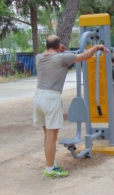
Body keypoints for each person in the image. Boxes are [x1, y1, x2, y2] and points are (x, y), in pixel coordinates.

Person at [33, 35, 109, 179]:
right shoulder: (62, 58)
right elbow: (85, 56)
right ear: (58, 45)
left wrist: (56, 49)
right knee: (51, 136)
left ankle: (51, 164)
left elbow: (49, 53)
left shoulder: (39, 57)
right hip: (51, 98)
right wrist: (97, 47)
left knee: (47, 135)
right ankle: (50, 170)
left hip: (38, 97)